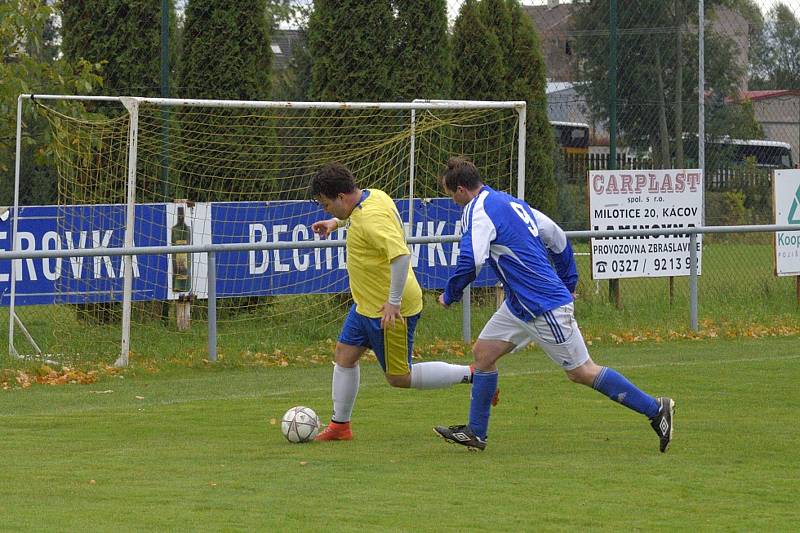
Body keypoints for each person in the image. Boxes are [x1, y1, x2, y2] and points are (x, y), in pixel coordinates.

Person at [433, 157, 674, 452]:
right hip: (519, 305)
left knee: (582, 371)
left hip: (541, 305)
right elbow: (557, 237)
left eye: (452, 196)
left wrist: (450, 294)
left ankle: (655, 408)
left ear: (460, 190)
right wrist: (568, 281)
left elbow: (473, 260)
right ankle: (476, 432)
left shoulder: (476, 211)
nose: (454, 202)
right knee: (483, 353)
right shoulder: (512, 204)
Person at [309, 162, 495, 441]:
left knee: (399, 378)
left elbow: (400, 256)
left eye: (326, 206)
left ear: (341, 197)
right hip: (367, 306)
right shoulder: (372, 196)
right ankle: (340, 426)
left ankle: (474, 375)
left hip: (391, 309)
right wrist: (336, 222)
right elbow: (355, 217)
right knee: (344, 356)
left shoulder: (372, 219)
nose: (325, 210)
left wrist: (393, 302)